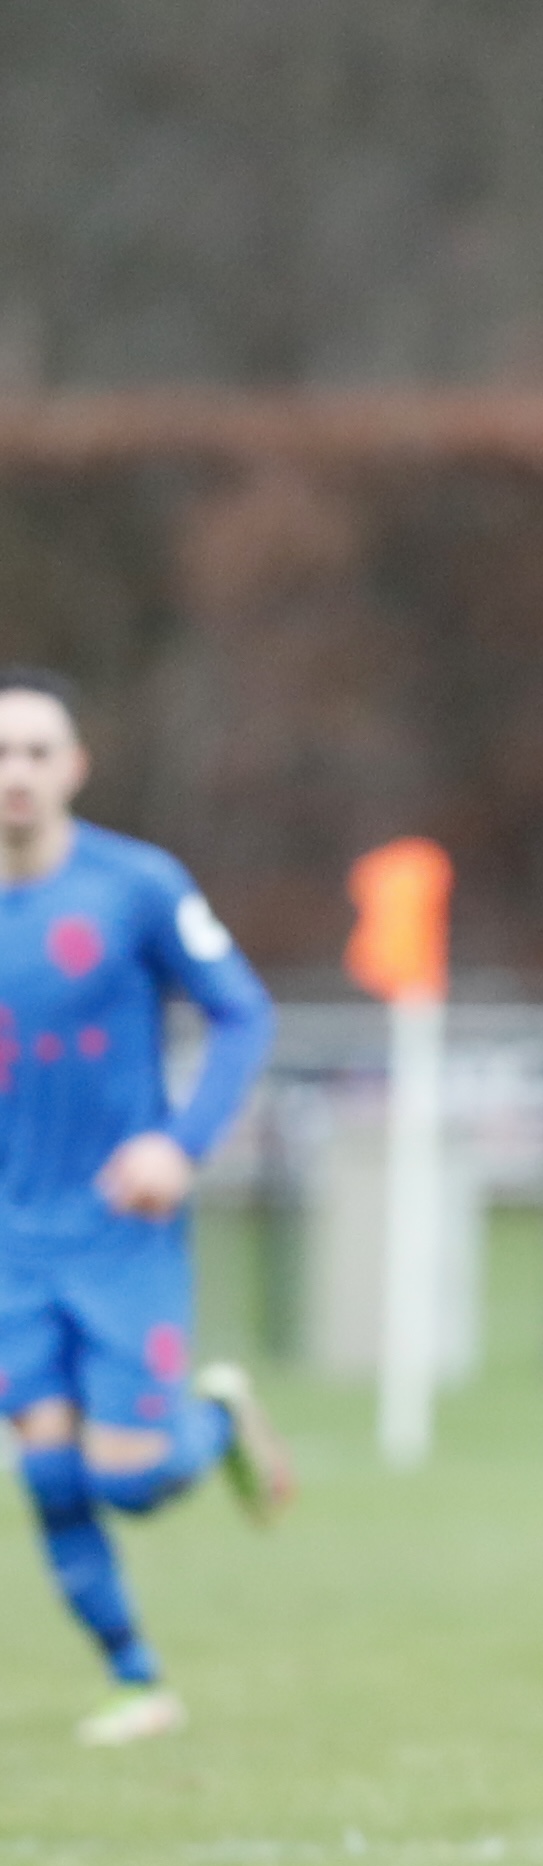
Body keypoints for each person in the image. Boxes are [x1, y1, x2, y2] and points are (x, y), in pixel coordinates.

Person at [0, 668, 292, 1747]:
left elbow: (242, 1013)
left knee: (127, 1480)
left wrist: (181, 1140)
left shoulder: (137, 886)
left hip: (120, 1230)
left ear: (74, 766)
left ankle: (211, 1421)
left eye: (36, 751)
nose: (15, 772)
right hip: (8, 1242)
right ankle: (136, 1676)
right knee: (47, 1461)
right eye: (0, 752)